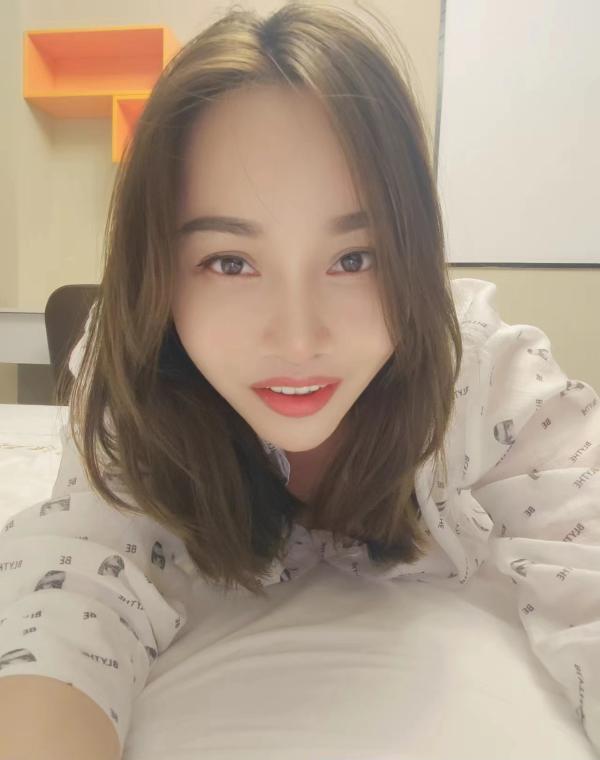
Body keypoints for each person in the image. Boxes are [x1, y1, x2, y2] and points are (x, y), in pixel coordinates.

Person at [1, 3, 600, 758]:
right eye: (229, 262)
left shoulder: (484, 379)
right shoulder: (136, 382)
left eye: (354, 259)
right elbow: (71, 589)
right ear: (159, 273)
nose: (297, 338)